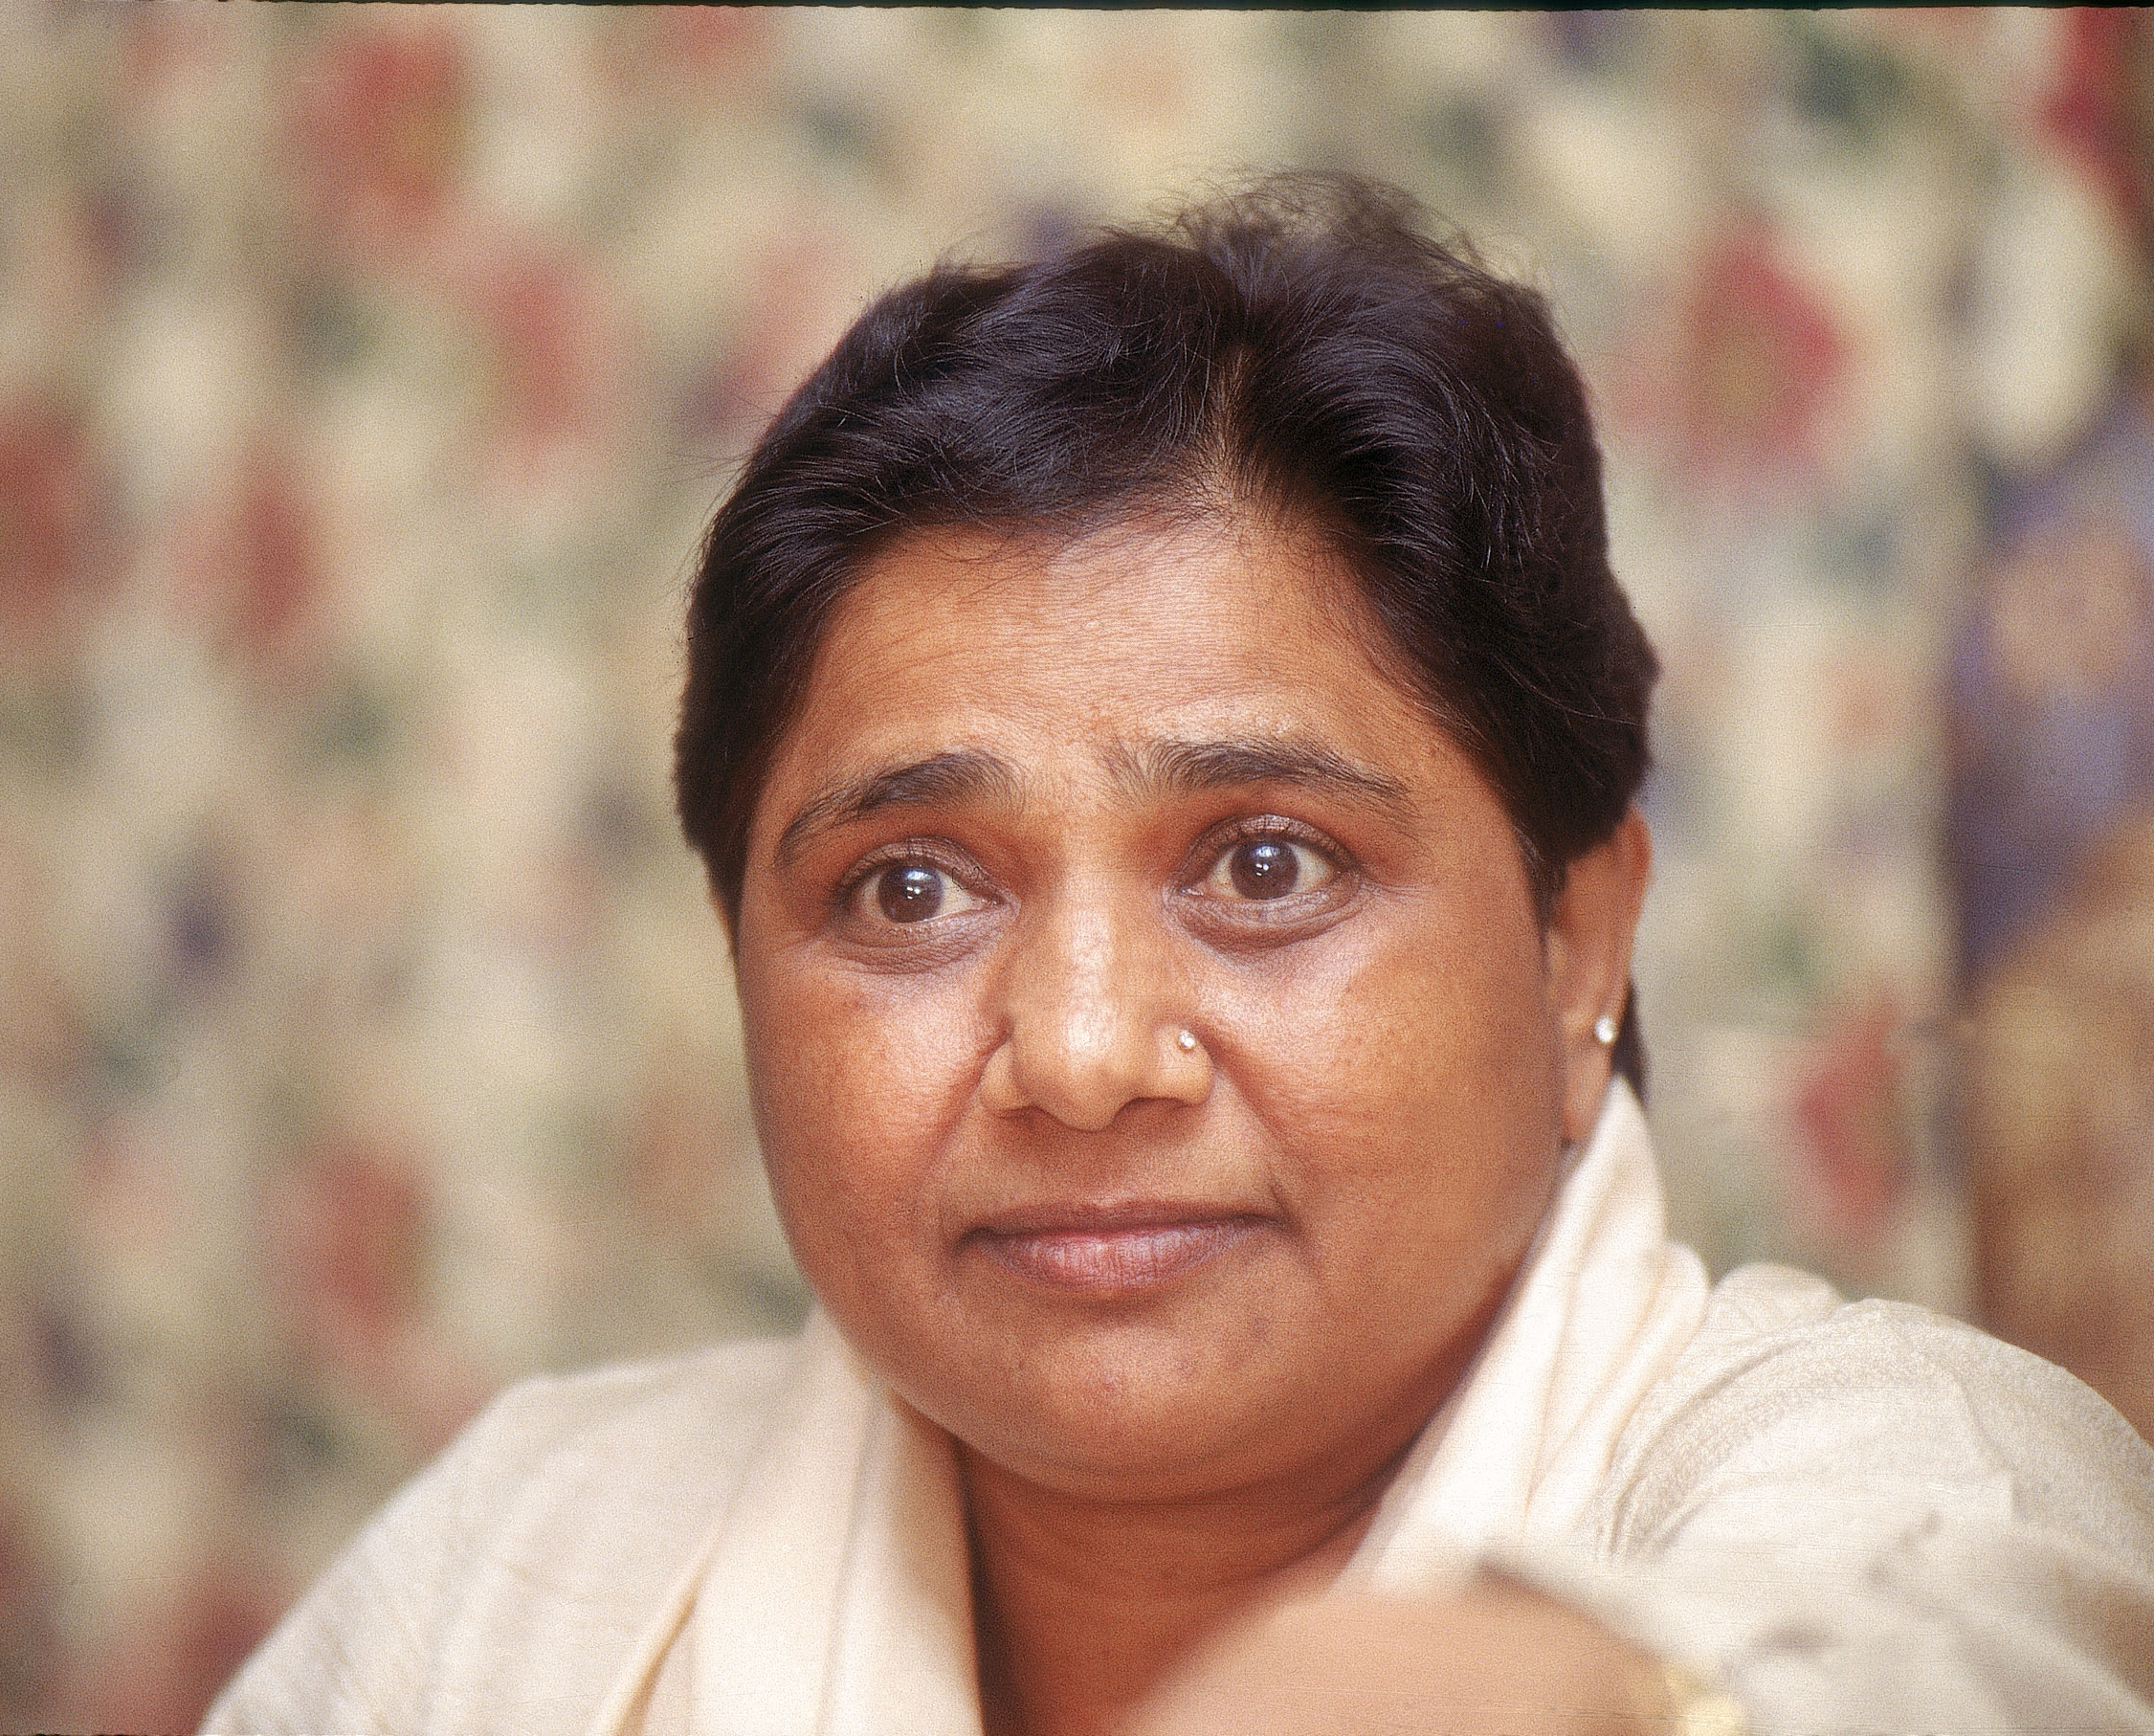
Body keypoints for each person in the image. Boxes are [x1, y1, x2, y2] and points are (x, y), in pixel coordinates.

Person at [205, 177, 2154, 1736]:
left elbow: (1949, 1644)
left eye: (1265, 863)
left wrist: (1577, 1687)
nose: (1078, 1052)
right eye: (910, 890)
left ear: (1578, 938)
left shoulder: (1908, 1470)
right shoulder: (525, 1564)